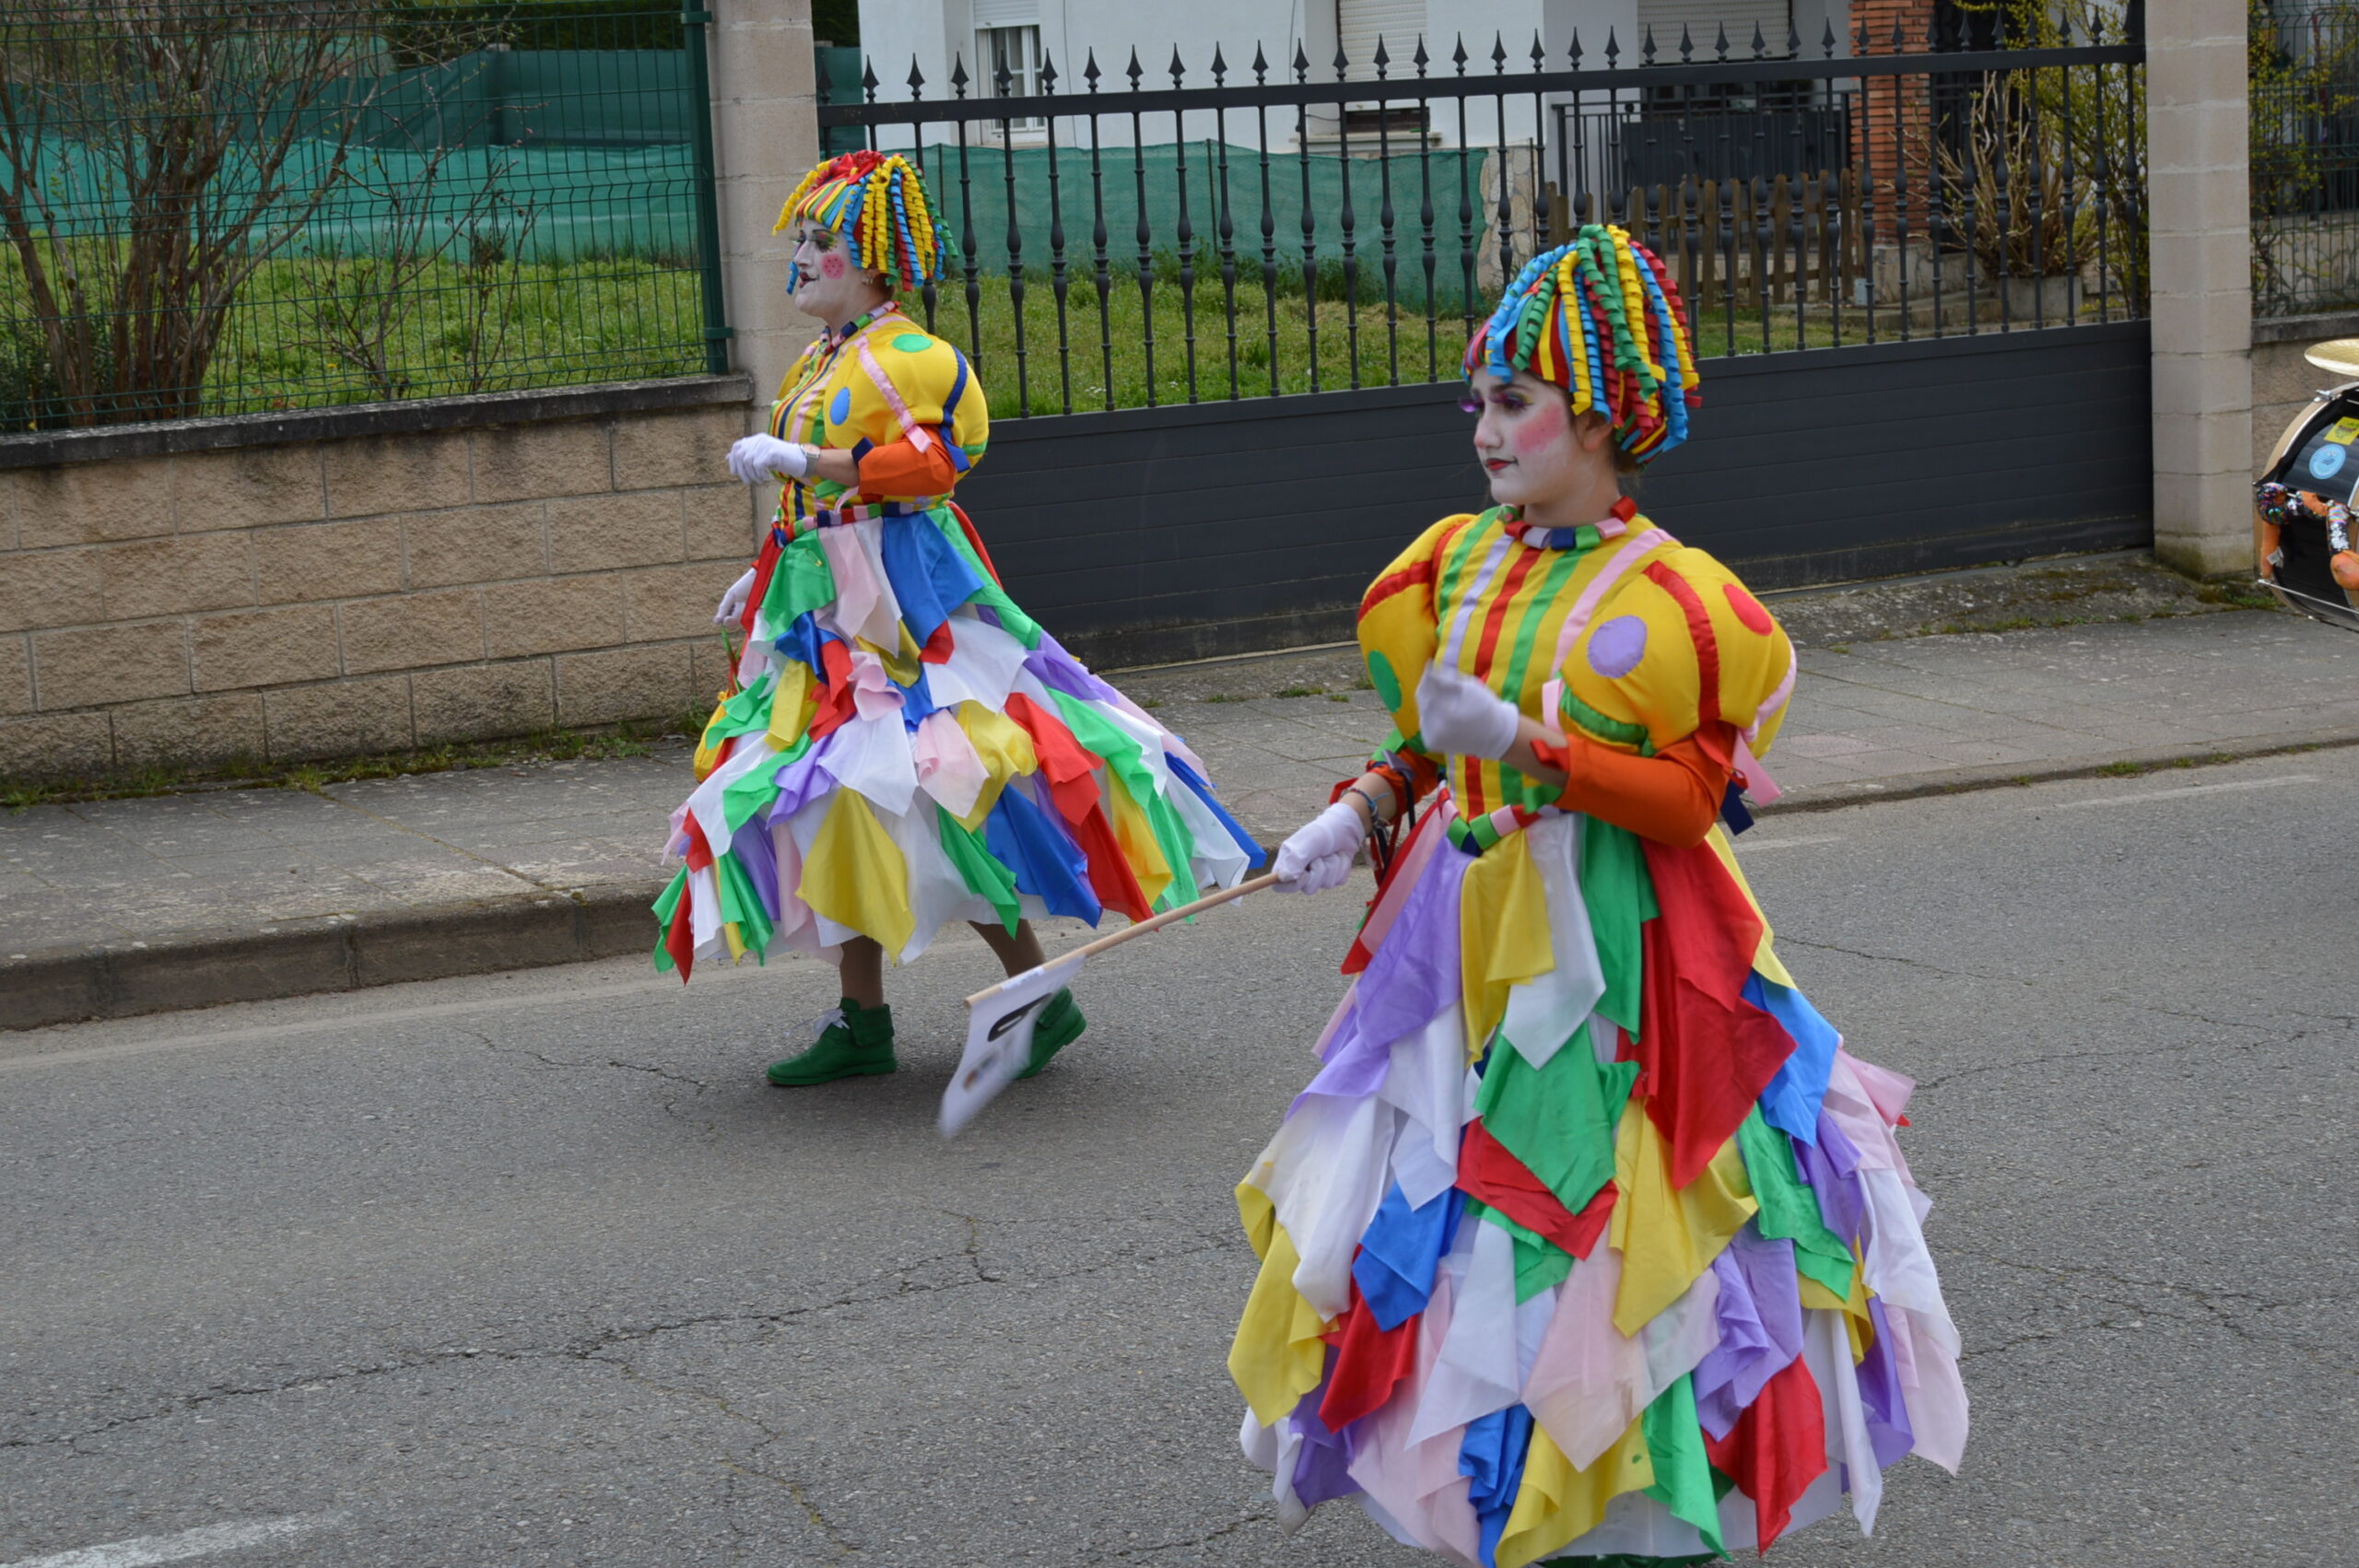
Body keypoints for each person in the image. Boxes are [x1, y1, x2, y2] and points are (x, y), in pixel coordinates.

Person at [1230, 227, 1966, 1565]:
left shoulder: (1681, 602)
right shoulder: (1456, 562)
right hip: (1465, 949)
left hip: (1628, 953)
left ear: (1604, 413)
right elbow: (1430, 738)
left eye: (1516, 401)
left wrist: (1528, 746)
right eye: (1481, 401)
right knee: (1466, 1219)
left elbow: (1689, 798)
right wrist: (1361, 807)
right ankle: (1528, 1492)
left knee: (1617, 1224)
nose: (1486, 430)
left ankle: (1634, 1515)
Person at [654, 149, 1262, 1088]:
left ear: (872, 261)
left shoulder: (911, 356)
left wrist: (803, 462)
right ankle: (863, 1020)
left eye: (822, 242)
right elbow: (821, 501)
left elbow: (935, 464)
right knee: (829, 794)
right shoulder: (828, 356)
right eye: (803, 240)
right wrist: (760, 568)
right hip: (824, 608)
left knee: (935, 784)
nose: (801, 259)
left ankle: (1039, 994)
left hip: (902, 609)